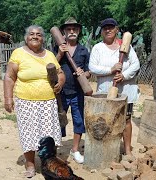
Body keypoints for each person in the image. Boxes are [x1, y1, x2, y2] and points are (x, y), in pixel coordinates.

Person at [3, 25, 65, 178]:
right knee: (28, 134)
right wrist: (8, 98)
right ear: (26, 37)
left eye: (38, 34)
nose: (35, 36)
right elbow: (9, 77)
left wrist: (61, 82)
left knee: (49, 135)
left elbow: (60, 72)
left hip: (48, 102)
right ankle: (30, 165)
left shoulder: (50, 54)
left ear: (43, 38)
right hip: (26, 102)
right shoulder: (19, 53)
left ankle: (49, 163)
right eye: (31, 34)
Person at [89, 18, 140, 155]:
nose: (108, 30)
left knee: (126, 119)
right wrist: (110, 70)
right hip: (105, 92)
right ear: (102, 32)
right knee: (107, 120)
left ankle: (127, 150)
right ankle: (108, 150)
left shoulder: (126, 46)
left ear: (117, 30)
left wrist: (124, 75)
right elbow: (92, 67)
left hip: (126, 91)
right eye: (105, 28)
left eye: (111, 27)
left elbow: (136, 65)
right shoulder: (97, 48)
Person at [54, 17, 91, 164]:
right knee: (58, 122)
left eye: (74, 29)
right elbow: (50, 65)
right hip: (60, 92)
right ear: (63, 32)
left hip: (78, 93)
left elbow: (90, 72)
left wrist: (84, 74)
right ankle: (55, 152)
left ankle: (75, 150)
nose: (71, 31)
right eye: (68, 29)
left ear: (79, 31)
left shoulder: (83, 50)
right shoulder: (57, 49)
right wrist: (60, 54)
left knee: (79, 121)